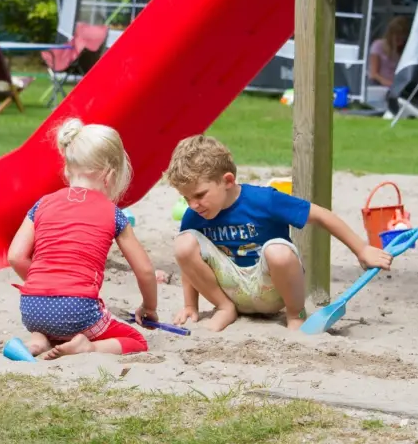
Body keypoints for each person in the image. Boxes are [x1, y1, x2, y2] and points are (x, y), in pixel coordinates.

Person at [164, 135, 393, 332]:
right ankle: (225, 309)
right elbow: (189, 264)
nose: (193, 204)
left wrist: (362, 250)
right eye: (186, 198)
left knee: (278, 251)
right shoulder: (195, 215)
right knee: (183, 243)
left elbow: (321, 215)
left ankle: (295, 316)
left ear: (228, 181)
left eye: (199, 195)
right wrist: (190, 306)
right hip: (230, 290)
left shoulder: (264, 200)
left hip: (271, 289)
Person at [7, 118, 159, 359]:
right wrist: (149, 307)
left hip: (32, 308)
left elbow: (15, 256)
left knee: (50, 327)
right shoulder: (114, 214)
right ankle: (88, 346)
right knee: (135, 339)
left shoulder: (42, 204)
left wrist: (46, 284)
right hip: (77, 310)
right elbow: (145, 271)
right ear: (110, 173)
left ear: (68, 168)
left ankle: (37, 341)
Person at [368, 16, 410, 87]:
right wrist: (390, 84)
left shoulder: (404, 50)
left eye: (402, 36)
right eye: (397, 36)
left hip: (398, 86)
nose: (400, 39)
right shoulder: (378, 46)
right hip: (379, 86)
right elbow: (374, 74)